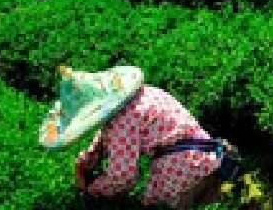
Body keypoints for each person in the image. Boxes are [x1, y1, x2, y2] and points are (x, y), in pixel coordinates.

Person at [40, 65, 246, 208]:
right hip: (207, 158)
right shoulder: (144, 94)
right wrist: (86, 162)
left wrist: (92, 191)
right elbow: (105, 138)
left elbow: (123, 177)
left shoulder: (122, 121)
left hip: (181, 172)